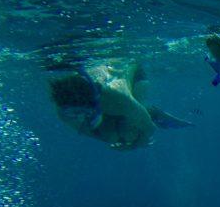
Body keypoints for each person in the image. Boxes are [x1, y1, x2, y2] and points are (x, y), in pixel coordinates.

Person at [50, 60, 192, 150]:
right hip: (104, 104)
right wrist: (111, 140)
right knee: (111, 136)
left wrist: (136, 144)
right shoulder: (64, 110)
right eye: (72, 112)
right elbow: (93, 133)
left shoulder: (116, 97)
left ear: (94, 104)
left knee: (129, 133)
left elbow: (149, 129)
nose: (78, 117)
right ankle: (138, 114)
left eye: (82, 112)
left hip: (135, 78)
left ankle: (151, 112)